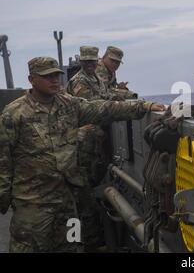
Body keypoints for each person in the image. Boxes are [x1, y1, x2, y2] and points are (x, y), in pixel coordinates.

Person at [0, 56, 165, 252]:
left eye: (56, 75)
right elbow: (3, 159)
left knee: (71, 245)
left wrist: (143, 106)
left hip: (68, 199)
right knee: (28, 247)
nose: (54, 80)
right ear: (31, 79)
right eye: (47, 76)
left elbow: (103, 108)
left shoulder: (68, 105)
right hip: (33, 203)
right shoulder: (14, 114)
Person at [66, 46, 121, 251]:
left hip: (93, 142)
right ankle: (86, 241)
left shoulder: (95, 79)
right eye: (86, 61)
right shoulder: (80, 81)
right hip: (83, 144)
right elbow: (92, 108)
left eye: (92, 61)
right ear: (81, 62)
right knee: (83, 196)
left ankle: (89, 239)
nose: (90, 65)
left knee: (88, 190)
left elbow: (105, 97)